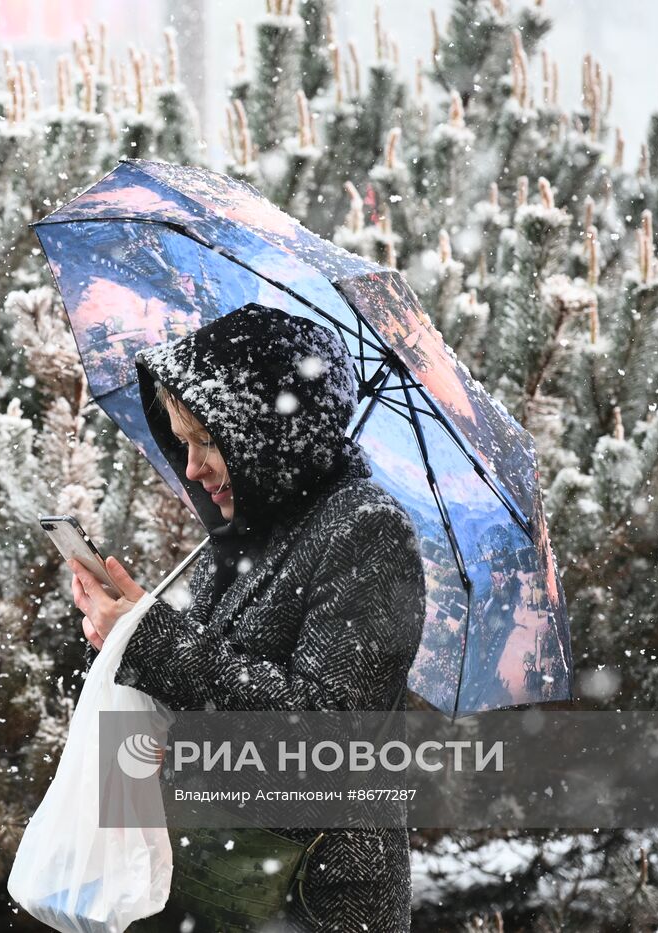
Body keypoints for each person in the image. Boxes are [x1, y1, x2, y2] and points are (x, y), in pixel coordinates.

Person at [67, 302, 427, 932]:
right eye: (184, 443)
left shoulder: (367, 532)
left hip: (311, 900)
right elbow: (208, 703)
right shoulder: (244, 534)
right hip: (224, 883)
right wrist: (121, 639)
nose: (192, 467)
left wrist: (150, 639)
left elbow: (329, 741)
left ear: (264, 429)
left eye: (208, 440)